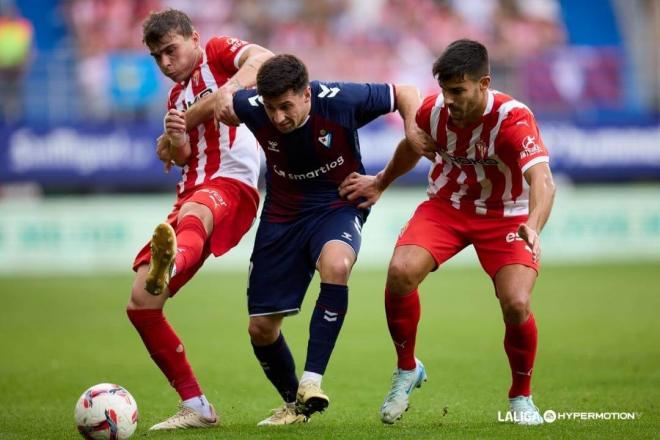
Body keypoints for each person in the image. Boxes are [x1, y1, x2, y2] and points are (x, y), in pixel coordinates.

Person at [170, 53, 423, 425]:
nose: (278, 118)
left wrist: (411, 136)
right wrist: (183, 126)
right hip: (282, 213)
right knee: (261, 328)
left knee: (336, 264)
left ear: (307, 94)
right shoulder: (252, 106)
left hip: (337, 202)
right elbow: (221, 102)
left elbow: (405, 92)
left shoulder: (340, 100)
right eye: (271, 108)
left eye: (286, 106)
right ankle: (295, 406)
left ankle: (311, 381)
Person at [339, 39, 556, 425]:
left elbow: (543, 181)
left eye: (458, 91)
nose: (449, 100)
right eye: (444, 90)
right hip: (447, 206)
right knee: (400, 271)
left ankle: (521, 396)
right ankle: (407, 368)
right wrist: (381, 182)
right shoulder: (433, 111)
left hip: (507, 216)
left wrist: (534, 225)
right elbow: (412, 145)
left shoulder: (513, 120)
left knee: (516, 303)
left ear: (484, 83)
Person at [126, 9, 273, 431]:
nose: (166, 63)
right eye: (157, 57)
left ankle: (169, 263)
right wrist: (173, 139)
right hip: (191, 193)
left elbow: (265, 58)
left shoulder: (217, 52)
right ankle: (196, 406)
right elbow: (183, 157)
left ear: (193, 38)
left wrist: (225, 91)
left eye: (171, 50)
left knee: (195, 212)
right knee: (141, 305)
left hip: (230, 184)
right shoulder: (174, 101)